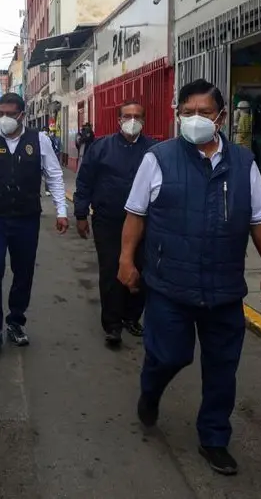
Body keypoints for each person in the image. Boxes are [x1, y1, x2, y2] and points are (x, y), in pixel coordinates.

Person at [119, 79, 261, 476]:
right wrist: (126, 259)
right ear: (178, 115)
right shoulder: (158, 159)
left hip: (224, 287)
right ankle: (151, 389)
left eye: (204, 113)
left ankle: (214, 438)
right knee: (170, 354)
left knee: (222, 368)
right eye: (187, 112)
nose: (195, 119)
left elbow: (260, 220)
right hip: (169, 283)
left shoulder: (243, 163)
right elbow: (136, 213)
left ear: (222, 117)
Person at [0, 93, 68, 357]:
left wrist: (61, 211)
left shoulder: (39, 140)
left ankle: (15, 322)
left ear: (23, 115)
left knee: (23, 272)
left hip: (26, 218)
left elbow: (55, 176)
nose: (5, 119)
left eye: (11, 114)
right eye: (1, 113)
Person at [74, 100, 157, 346]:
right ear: (119, 120)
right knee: (111, 271)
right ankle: (112, 324)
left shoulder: (154, 150)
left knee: (141, 269)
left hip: (144, 222)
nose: (132, 121)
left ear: (144, 119)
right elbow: (84, 181)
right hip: (108, 220)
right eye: (127, 116)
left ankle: (132, 316)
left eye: (137, 116)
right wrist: (80, 214)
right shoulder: (101, 147)